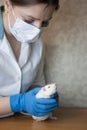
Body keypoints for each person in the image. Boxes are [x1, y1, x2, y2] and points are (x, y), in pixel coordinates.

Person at [0, 0, 59, 118]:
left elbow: (35, 83)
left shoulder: (37, 43)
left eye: (45, 23)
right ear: (7, 5)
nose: (37, 30)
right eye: (28, 20)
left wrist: (42, 96)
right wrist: (18, 102)